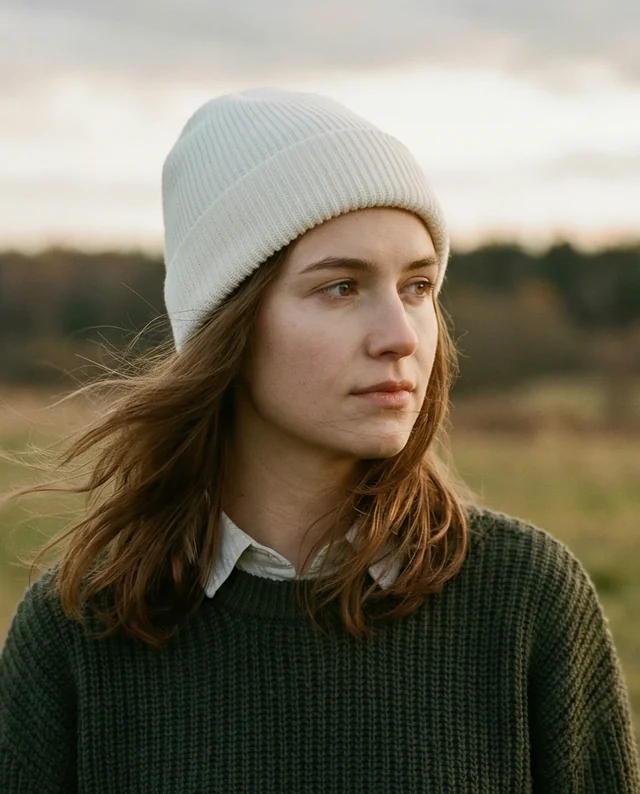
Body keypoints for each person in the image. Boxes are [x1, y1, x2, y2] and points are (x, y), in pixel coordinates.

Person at [1, 87, 638, 794]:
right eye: (340, 288)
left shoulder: (525, 601)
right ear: (228, 325)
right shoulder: (79, 632)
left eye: (419, 286)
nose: (401, 337)